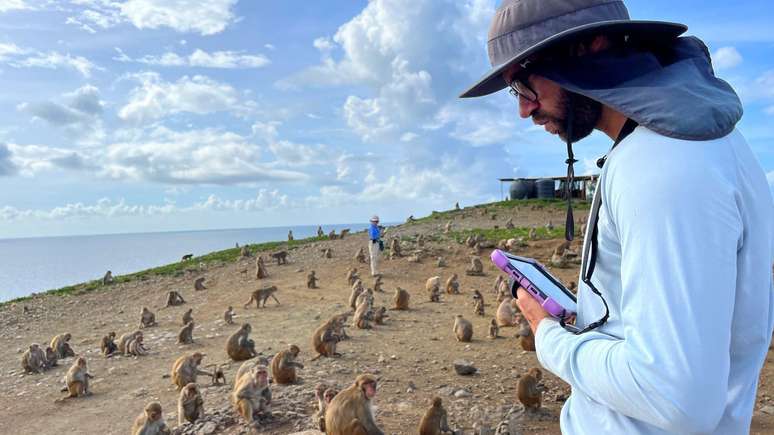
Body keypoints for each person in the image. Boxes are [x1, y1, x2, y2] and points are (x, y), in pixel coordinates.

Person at [461, 1, 773, 434]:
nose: (524, 111)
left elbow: (676, 397)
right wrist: (586, 318)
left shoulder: (662, 166)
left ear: (590, 45)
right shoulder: (709, 146)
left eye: (524, 86)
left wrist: (550, 337)